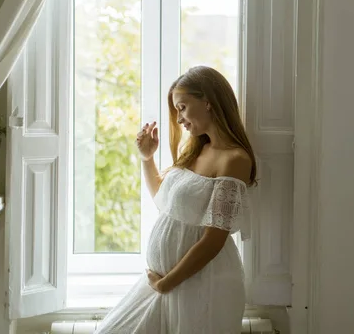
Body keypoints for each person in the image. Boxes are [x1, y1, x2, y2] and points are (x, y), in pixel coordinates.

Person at [95, 66, 255, 334]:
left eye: (182, 107)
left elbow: (214, 239)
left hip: (202, 283)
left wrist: (167, 283)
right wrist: (148, 158)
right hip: (165, 283)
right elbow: (163, 199)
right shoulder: (197, 149)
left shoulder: (234, 160)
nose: (179, 118)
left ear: (208, 103)